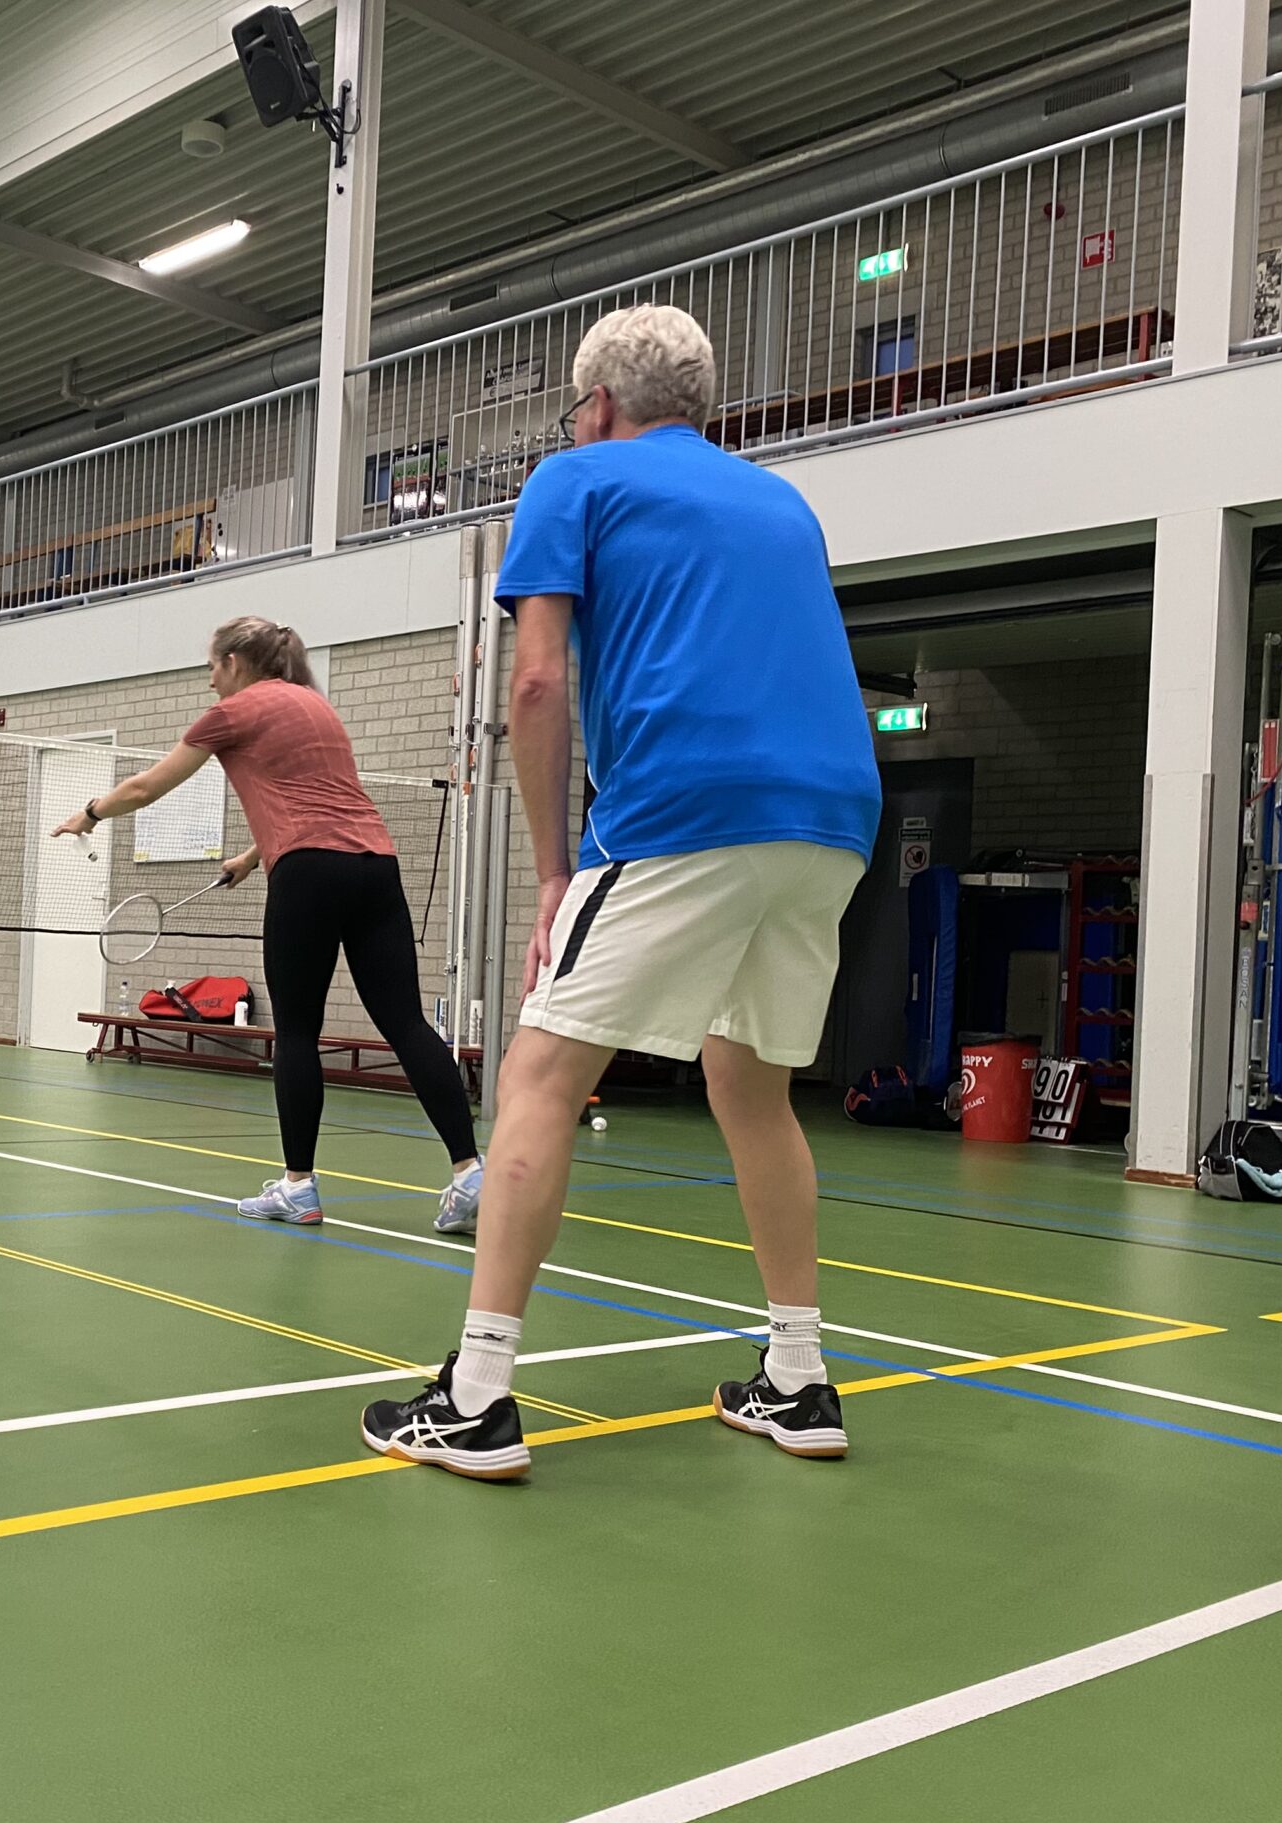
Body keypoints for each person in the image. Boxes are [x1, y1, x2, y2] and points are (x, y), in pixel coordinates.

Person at [360, 304, 880, 1481]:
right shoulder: (782, 500)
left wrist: (555, 872)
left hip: (684, 811)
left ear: (595, 405)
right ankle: (798, 1381)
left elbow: (538, 682)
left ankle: (478, 1395)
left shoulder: (575, 476)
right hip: (835, 817)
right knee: (754, 1087)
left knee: (540, 1076)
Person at [52, 618, 484, 1231]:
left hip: (308, 876)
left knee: (299, 1033)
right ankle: (470, 1174)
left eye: (211, 667)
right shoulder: (317, 707)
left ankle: (299, 1188)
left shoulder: (231, 713)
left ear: (233, 661)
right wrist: (253, 857)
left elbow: (147, 786)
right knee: (406, 1022)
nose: (208, 680)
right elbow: (323, 796)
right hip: (375, 867)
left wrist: (88, 814)